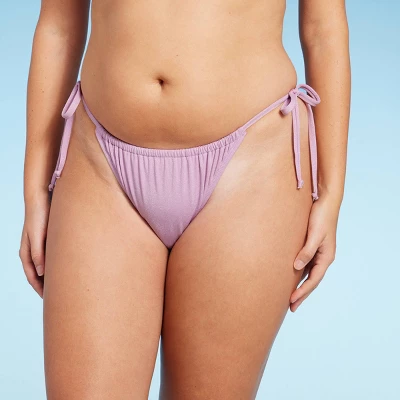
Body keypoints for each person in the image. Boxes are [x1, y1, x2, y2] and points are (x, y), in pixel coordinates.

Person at [19, 0, 350, 398]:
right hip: (100, 165)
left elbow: (322, 29)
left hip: (252, 165)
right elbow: (58, 26)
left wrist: (331, 195)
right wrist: (34, 191)